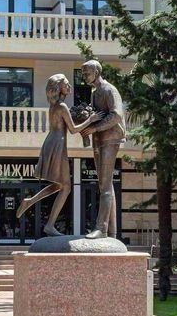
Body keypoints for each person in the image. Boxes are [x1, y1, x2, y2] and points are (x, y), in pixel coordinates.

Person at [16, 74, 100, 236]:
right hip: (58, 144)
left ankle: (30, 202)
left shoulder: (54, 106)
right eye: (66, 84)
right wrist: (91, 119)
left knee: (61, 185)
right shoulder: (62, 107)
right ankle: (49, 225)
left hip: (52, 142)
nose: (69, 87)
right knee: (66, 187)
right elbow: (73, 129)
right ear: (59, 88)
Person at [79, 59, 125, 239]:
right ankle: (112, 232)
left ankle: (101, 229)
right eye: (83, 73)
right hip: (99, 140)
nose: (84, 76)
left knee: (105, 185)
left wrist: (95, 128)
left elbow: (117, 115)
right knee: (105, 185)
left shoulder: (109, 90)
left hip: (110, 138)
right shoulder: (95, 93)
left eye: (87, 73)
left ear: (96, 73)